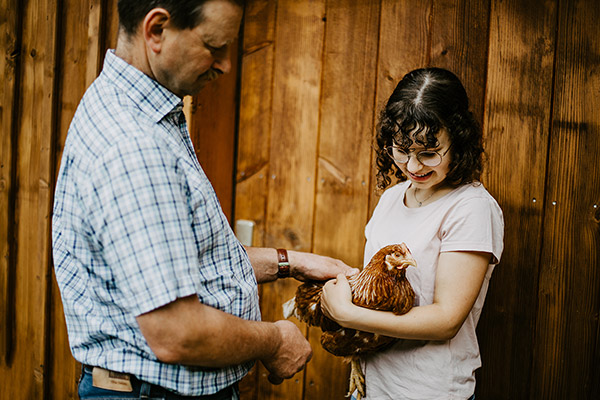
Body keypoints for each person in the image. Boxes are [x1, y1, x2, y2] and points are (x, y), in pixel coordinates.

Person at [51, 1, 356, 399]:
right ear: (156, 29)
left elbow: (179, 261)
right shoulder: (136, 147)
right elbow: (177, 332)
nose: (226, 64)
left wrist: (290, 263)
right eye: (214, 46)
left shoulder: (128, 107)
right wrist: (275, 340)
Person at [321, 67, 504, 400]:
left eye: (429, 153)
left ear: (459, 141)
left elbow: (446, 319)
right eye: (402, 150)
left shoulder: (471, 207)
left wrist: (348, 313)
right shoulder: (393, 196)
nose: (414, 166)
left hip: (426, 390)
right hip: (370, 385)